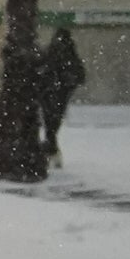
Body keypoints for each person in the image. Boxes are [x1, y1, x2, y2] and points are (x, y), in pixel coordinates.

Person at [31, 26, 88, 161]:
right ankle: (51, 147)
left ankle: (51, 147)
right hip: (60, 92)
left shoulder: (51, 52)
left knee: (49, 119)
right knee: (54, 120)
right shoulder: (70, 53)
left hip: (49, 92)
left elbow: (41, 69)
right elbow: (79, 74)